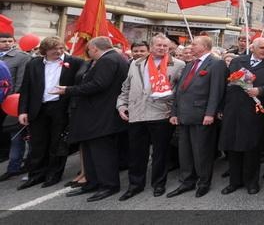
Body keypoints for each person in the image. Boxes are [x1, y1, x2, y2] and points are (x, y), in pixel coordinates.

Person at [53, 37, 129, 202]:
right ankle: (92, 182)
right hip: (96, 115)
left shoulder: (108, 60)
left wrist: (68, 90)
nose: (88, 52)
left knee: (102, 153)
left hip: (102, 115)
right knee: (90, 151)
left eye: (88, 49)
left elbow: (98, 85)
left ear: (94, 48)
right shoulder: (114, 58)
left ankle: (109, 185)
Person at [116, 34, 185, 200]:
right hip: (137, 113)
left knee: (160, 154)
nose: (162, 48)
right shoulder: (136, 63)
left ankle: (159, 184)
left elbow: (180, 91)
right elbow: (126, 86)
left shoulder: (177, 65)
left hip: (160, 114)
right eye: (158, 45)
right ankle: (135, 185)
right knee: (136, 153)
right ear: (151, 47)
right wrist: (121, 105)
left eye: (165, 46)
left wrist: (167, 98)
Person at [16, 37, 83, 189]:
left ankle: (54, 174)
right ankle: (36, 175)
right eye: (54, 51)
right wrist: (22, 111)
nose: (59, 52)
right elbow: (26, 88)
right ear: (44, 51)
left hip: (60, 107)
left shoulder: (75, 62)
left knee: (57, 143)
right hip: (38, 107)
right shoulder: (33, 63)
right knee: (38, 143)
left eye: (61, 49)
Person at [219, 38, 264, 196]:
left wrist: (260, 90)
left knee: (251, 148)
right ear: (252, 48)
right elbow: (227, 83)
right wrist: (221, 108)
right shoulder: (238, 61)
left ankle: (251, 182)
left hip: (254, 111)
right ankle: (234, 181)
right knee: (233, 147)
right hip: (233, 109)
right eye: (262, 47)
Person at [167, 35, 226, 198]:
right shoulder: (191, 64)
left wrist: (210, 113)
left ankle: (203, 182)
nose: (190, 47)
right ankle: (187, 181)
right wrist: (174, 112)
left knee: (202, 152)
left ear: (205, 46)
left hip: (202, 115)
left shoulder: (216, 63)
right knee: (185, 151)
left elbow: (217, 91)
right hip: (184, 115)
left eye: (194, 44)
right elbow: (180, 90)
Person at [0, 32, 33, 181]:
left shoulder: (22, 57)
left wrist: (15, 101)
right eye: (3, 41)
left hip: (11, 103)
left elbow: (20, 83)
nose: (7, 43)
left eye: (9, 41)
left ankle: (15, 166)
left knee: (17, 136)